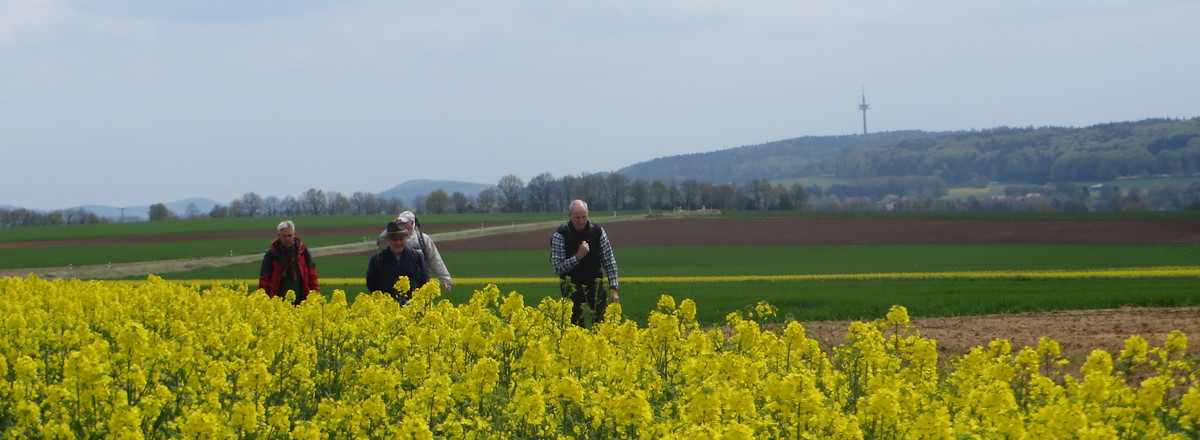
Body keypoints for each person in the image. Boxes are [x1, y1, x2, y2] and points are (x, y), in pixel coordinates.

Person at [551, 199, 620, 327]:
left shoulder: (597, 231)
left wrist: (613, 288)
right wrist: (578, 257)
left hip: (595, 283)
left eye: (584, 217)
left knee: (602, 323)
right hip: (571, 287)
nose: (581, 221)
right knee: (575, 326)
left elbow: (609, 261)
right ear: (569, 216)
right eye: (577, 217)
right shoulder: (560, 235)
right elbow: (558, 268)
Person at [375, 211, 453, 292]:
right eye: (399, 222)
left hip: (419, 284)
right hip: (395, 284)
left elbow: (435, 259)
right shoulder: (393, 239)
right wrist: (391, 227)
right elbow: (381, 243)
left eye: (404, 223)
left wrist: (445, 279)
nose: (401, 225)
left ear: (412, 223)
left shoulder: (422, 238)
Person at [367, 220, 430, 304]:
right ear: (388, 241)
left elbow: (424, 280)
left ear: (406, 239)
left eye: (401, 239)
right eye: (394, 240)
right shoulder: (377, 260)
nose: (398, 243)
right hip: (387, 307)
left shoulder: (417, 257)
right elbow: (372, 285)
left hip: (413, 307)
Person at [259, 220, 319, 304]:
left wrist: (315, 294)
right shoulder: (272, 254)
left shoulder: (302, 251)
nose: (287, 239)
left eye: (290, 235)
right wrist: (262, 299)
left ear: (294, 235)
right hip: (279, 301)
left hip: (301, 300)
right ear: (278, 236)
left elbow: (312, 274)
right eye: (284, 236)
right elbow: (264, 278)